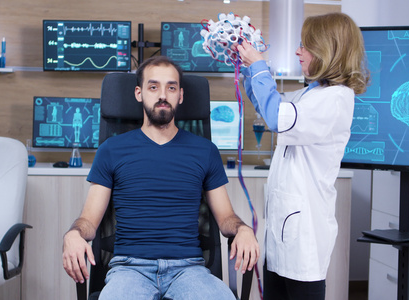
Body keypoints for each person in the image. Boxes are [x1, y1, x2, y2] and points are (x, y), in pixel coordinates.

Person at [62, 56, 259, 300]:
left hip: (189, 270)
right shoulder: (111, 150)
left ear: (181, 95)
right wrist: (73, 234)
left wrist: (243, 229)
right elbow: (88, 221)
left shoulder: (205, 151)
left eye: (171, 87)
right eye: (153, 87)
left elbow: (226, 218)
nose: (162, 95)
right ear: (139, 93)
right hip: (130, 269)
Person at [234, 12, 369, 300]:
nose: (298, 51)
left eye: (305, 46)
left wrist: (259, 65)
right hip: (285, 233)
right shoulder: (312, 94)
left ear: (327, 51)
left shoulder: (335, 99)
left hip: (304, 237)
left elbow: (276, 118)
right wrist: (247, 67)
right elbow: (267, 105)